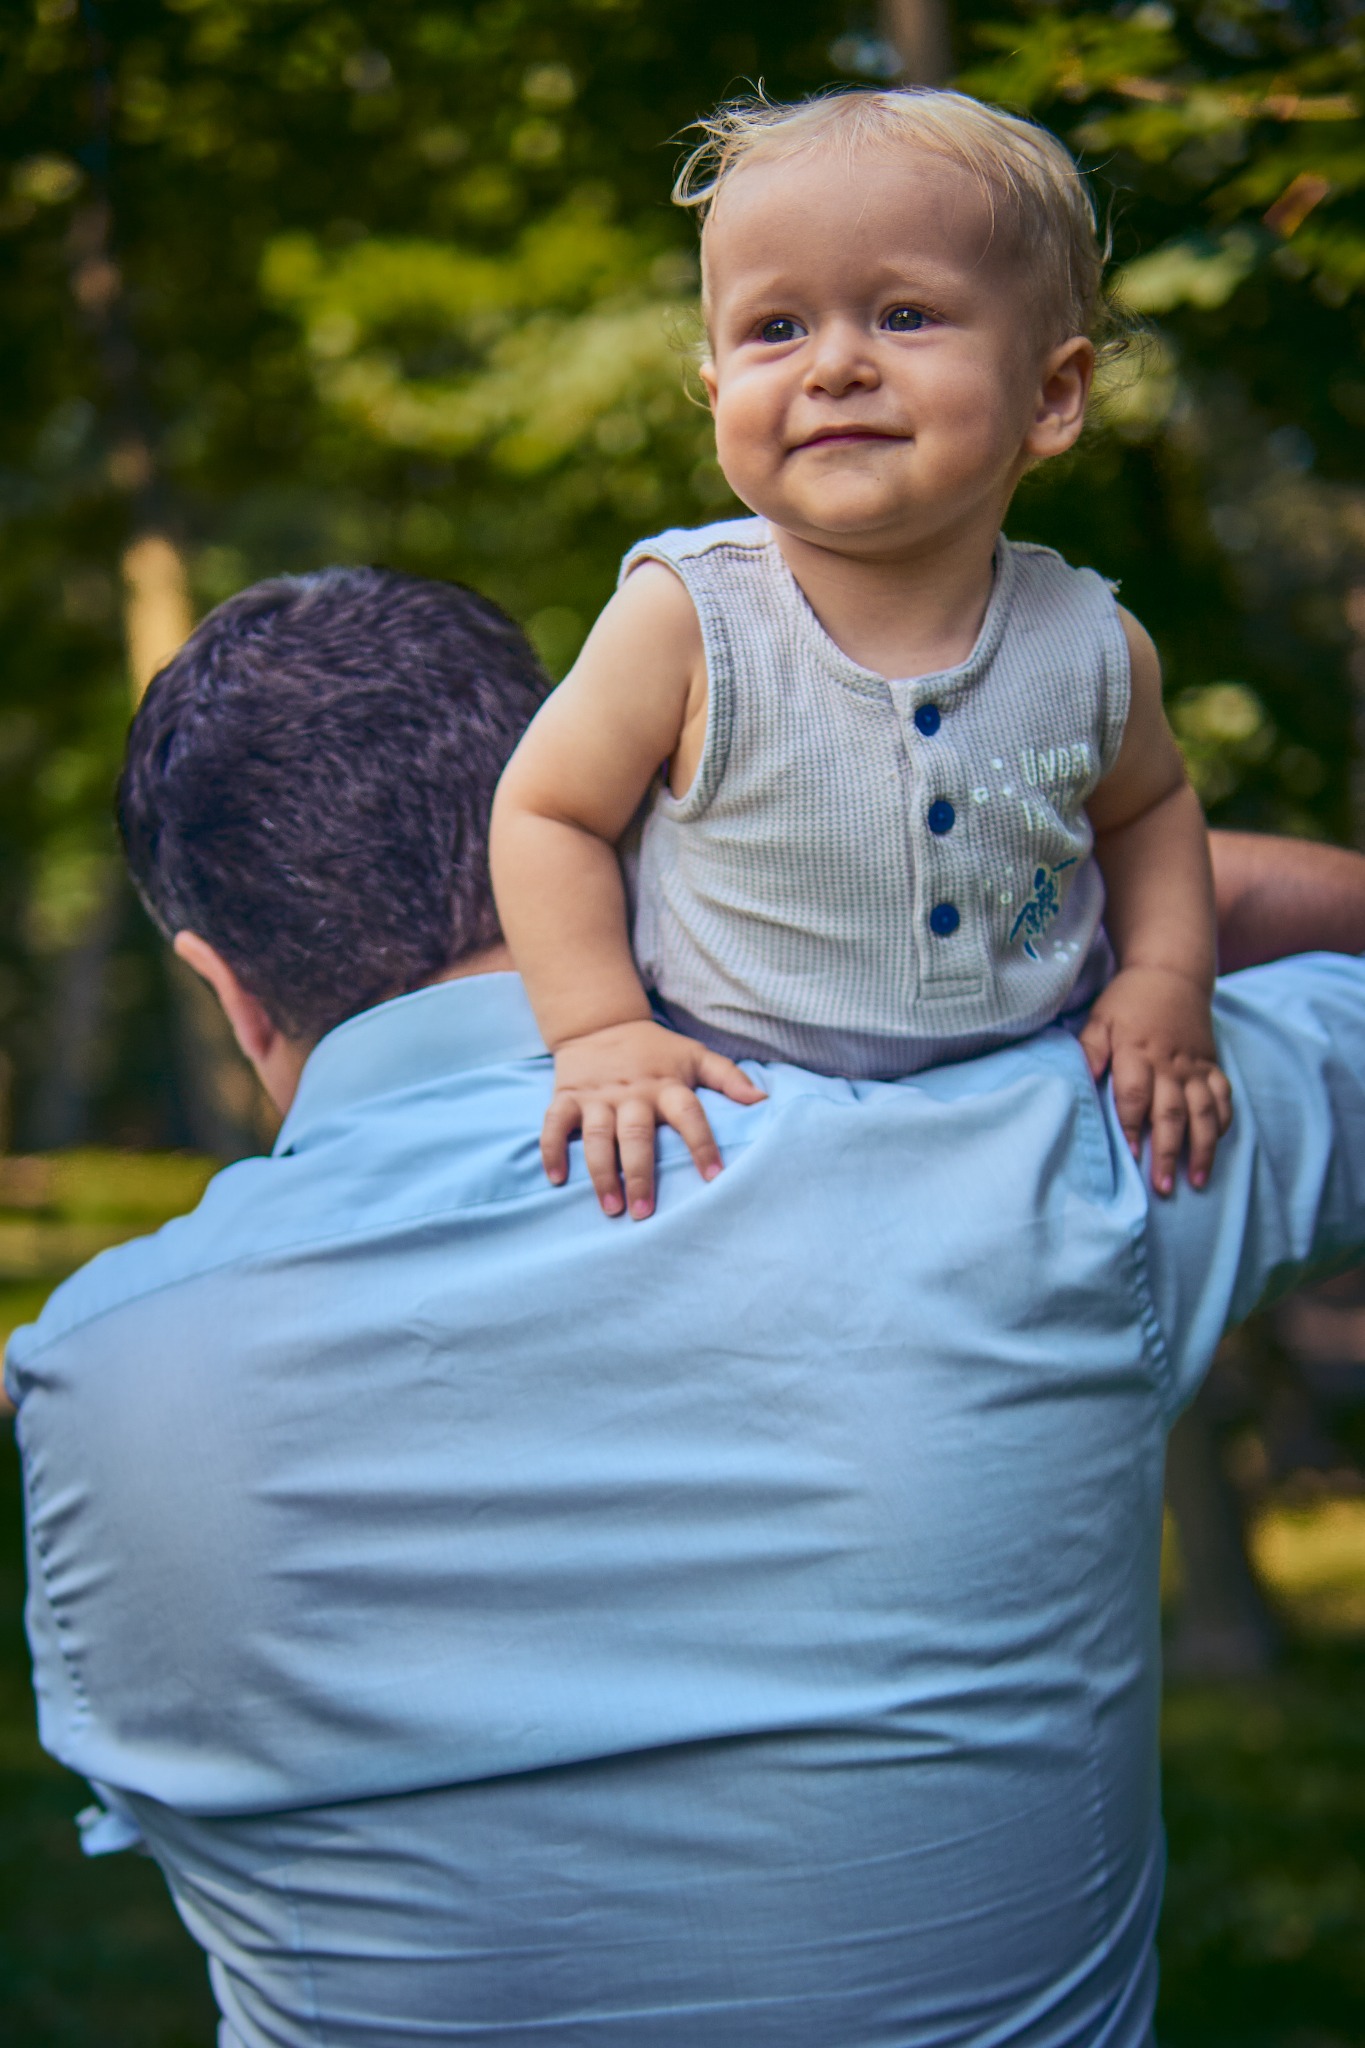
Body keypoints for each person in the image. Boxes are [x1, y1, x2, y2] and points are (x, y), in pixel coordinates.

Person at [9, 563, 1365, 2048]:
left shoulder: (85, 1387)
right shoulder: (1035, 1166)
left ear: (226, 988)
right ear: (642, 828)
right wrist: (1037, 903)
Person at [490, 88, 1232, 1222]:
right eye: (775, 329)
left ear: (1052, 392)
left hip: (1025, 1099)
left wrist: (1166, 978)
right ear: (717, 397)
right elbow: (548, 813)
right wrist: (601, 1029)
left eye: (904, 315)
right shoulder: (691, 617)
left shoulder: (1089, 639)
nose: (833, 365)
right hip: (744, 1099)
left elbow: (1150, 809)